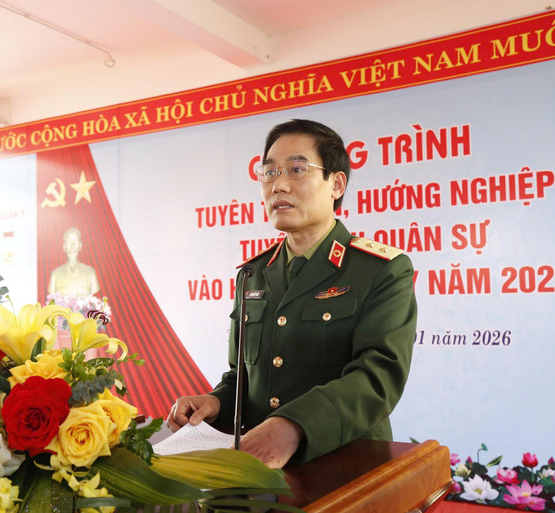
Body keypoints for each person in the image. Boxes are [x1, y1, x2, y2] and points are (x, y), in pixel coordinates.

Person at [167, 119, 417, 469]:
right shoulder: (253, 274)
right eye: (268, 172)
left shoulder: (380, 270)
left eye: (297, 169)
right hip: (258, 469)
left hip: (346, 467)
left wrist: (293, 426)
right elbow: (244, 377)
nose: (279, 185)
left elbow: (378, 378)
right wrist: (216, 401)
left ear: (336, 184)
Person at [47, 227, 100, 296]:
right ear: (64, 246)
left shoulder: (90, 273)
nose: (72, 246)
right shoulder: (55, 274)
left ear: (80, 245)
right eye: (69, 242)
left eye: (76, 241)